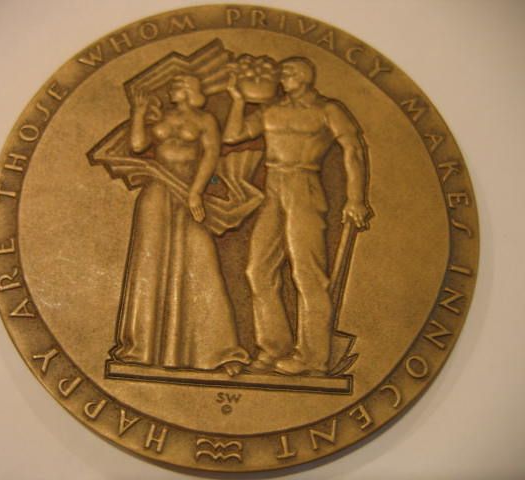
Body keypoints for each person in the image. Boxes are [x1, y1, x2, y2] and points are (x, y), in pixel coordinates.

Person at [223, 57, 370, 375]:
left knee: (307, 274)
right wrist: (237, 100)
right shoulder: (271, 110)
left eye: (288, 72)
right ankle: (273, 347)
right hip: (273, 187)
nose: (282, 76)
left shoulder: (328, 109)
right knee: (257, 270)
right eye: (282, 72)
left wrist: (356, 198)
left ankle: (314, 357)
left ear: (304, 76)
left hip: (305, 186)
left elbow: (354, 150)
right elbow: (233, 135)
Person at [113, 75, 249, 376]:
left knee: (201, 262)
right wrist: (138, 113)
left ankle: (219, 350)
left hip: (188, 193)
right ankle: (142, 349)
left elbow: (211, 155)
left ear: (189, 90)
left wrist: (196, 192)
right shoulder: (161, 117)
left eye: (176, 86)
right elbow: (137, 145)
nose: (171, 90)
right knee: (150, 264)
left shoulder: (205, 120)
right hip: (156, 193)